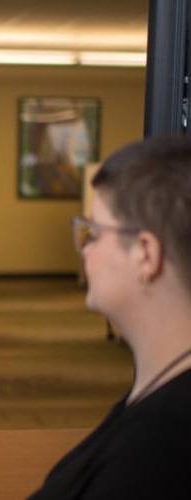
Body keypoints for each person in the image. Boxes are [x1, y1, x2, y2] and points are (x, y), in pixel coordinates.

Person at [30, 136, 191, 499]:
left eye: (94, 232)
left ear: (145, 254)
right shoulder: (159, 392)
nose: (85, 249)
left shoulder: (158, 449)